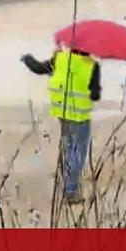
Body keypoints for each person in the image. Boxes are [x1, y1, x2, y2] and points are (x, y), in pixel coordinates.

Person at [21, 49, 101, 204]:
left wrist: (27, 58)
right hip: (80, 116)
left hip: (62, 113)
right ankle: (70, 192)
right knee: (78, 153)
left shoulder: (60, 59)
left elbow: (38, 68)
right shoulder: (92, 65)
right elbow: (95, 95)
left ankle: (66, 181)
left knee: (68, 147)